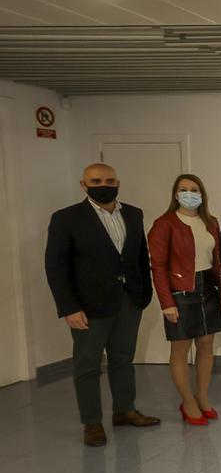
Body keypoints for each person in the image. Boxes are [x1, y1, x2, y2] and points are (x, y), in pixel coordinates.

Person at [46, 163, 160, 446]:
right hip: (88, 306)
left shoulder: (133, 214)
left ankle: (124, 410)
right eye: (95, 180)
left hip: (128, 300)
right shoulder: (66, 219)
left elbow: (139, 257)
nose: (103, 184)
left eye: (109, 180)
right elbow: (56, 267)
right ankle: (92, 423)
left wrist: (144, 294)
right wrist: (69, 308)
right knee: (88, 365)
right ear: (83, 185)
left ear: (118, 182)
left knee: (123, 359)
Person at [148, 174, 221, 426]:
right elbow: (158, 266)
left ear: (202, 194)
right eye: (183, 189)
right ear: (175, 194)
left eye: (194, 189)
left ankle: (202, 396)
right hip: (180, 291)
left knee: (206, 345)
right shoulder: (164, 223)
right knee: (181, 349)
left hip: (207, 288)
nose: (189, 193)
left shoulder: (210, 222)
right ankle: (187, 401)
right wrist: (166, 303)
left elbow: (217, 259)